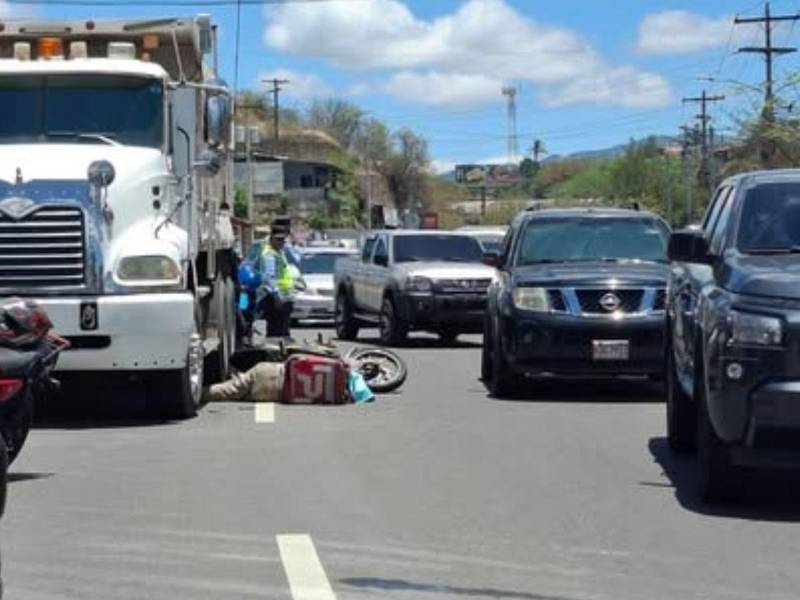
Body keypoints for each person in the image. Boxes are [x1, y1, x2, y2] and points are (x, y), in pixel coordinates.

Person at [259, 228, 295, 338]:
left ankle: (282, 351)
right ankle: (274, 353)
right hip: (275, 298)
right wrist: (276, 296)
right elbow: (270, 276)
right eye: (278, 240)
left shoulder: (280, 252)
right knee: (276, 329)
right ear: (271, 240)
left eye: (283, 240)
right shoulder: (269, 254)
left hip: (285, 296)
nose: (281, 242)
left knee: (283, 329)